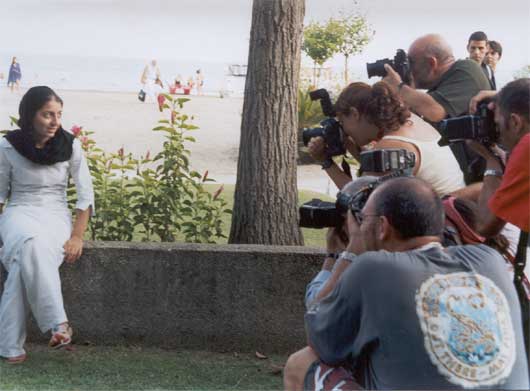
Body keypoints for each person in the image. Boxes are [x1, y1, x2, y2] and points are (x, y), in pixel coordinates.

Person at [284, 177, 529, 390]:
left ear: (382, 227)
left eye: (363, 220)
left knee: (301, 363)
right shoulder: (489, 259)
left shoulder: (372, 268)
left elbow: (321, 340)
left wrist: (350, 250)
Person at [0, 86, 95, 364]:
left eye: (59, 114)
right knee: (29, 241)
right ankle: (58, 324)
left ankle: (10, 348)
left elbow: (85, 196)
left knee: (25, 257)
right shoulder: (8, 146)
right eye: (47, 114)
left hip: (55, 214)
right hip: (19, 211)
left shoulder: (71, 145)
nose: (55, 121)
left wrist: (77, 237)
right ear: (30, 115)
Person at [308, 81, 465, 196]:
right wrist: (349, 145)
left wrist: (325, 161)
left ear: (355, 114)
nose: (345, 130)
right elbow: (382, 175)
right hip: (452, 219)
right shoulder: (410, 121)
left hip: (442, 230)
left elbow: (358, 199)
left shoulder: (392, 146)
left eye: (342, 122)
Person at [382, 33, 492, 184]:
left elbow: (435, 112)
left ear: (432, 62)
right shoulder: (442, 87)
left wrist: (400, 87)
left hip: (480, 185)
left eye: (412, 64)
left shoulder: (467, 69)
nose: (411, 70)